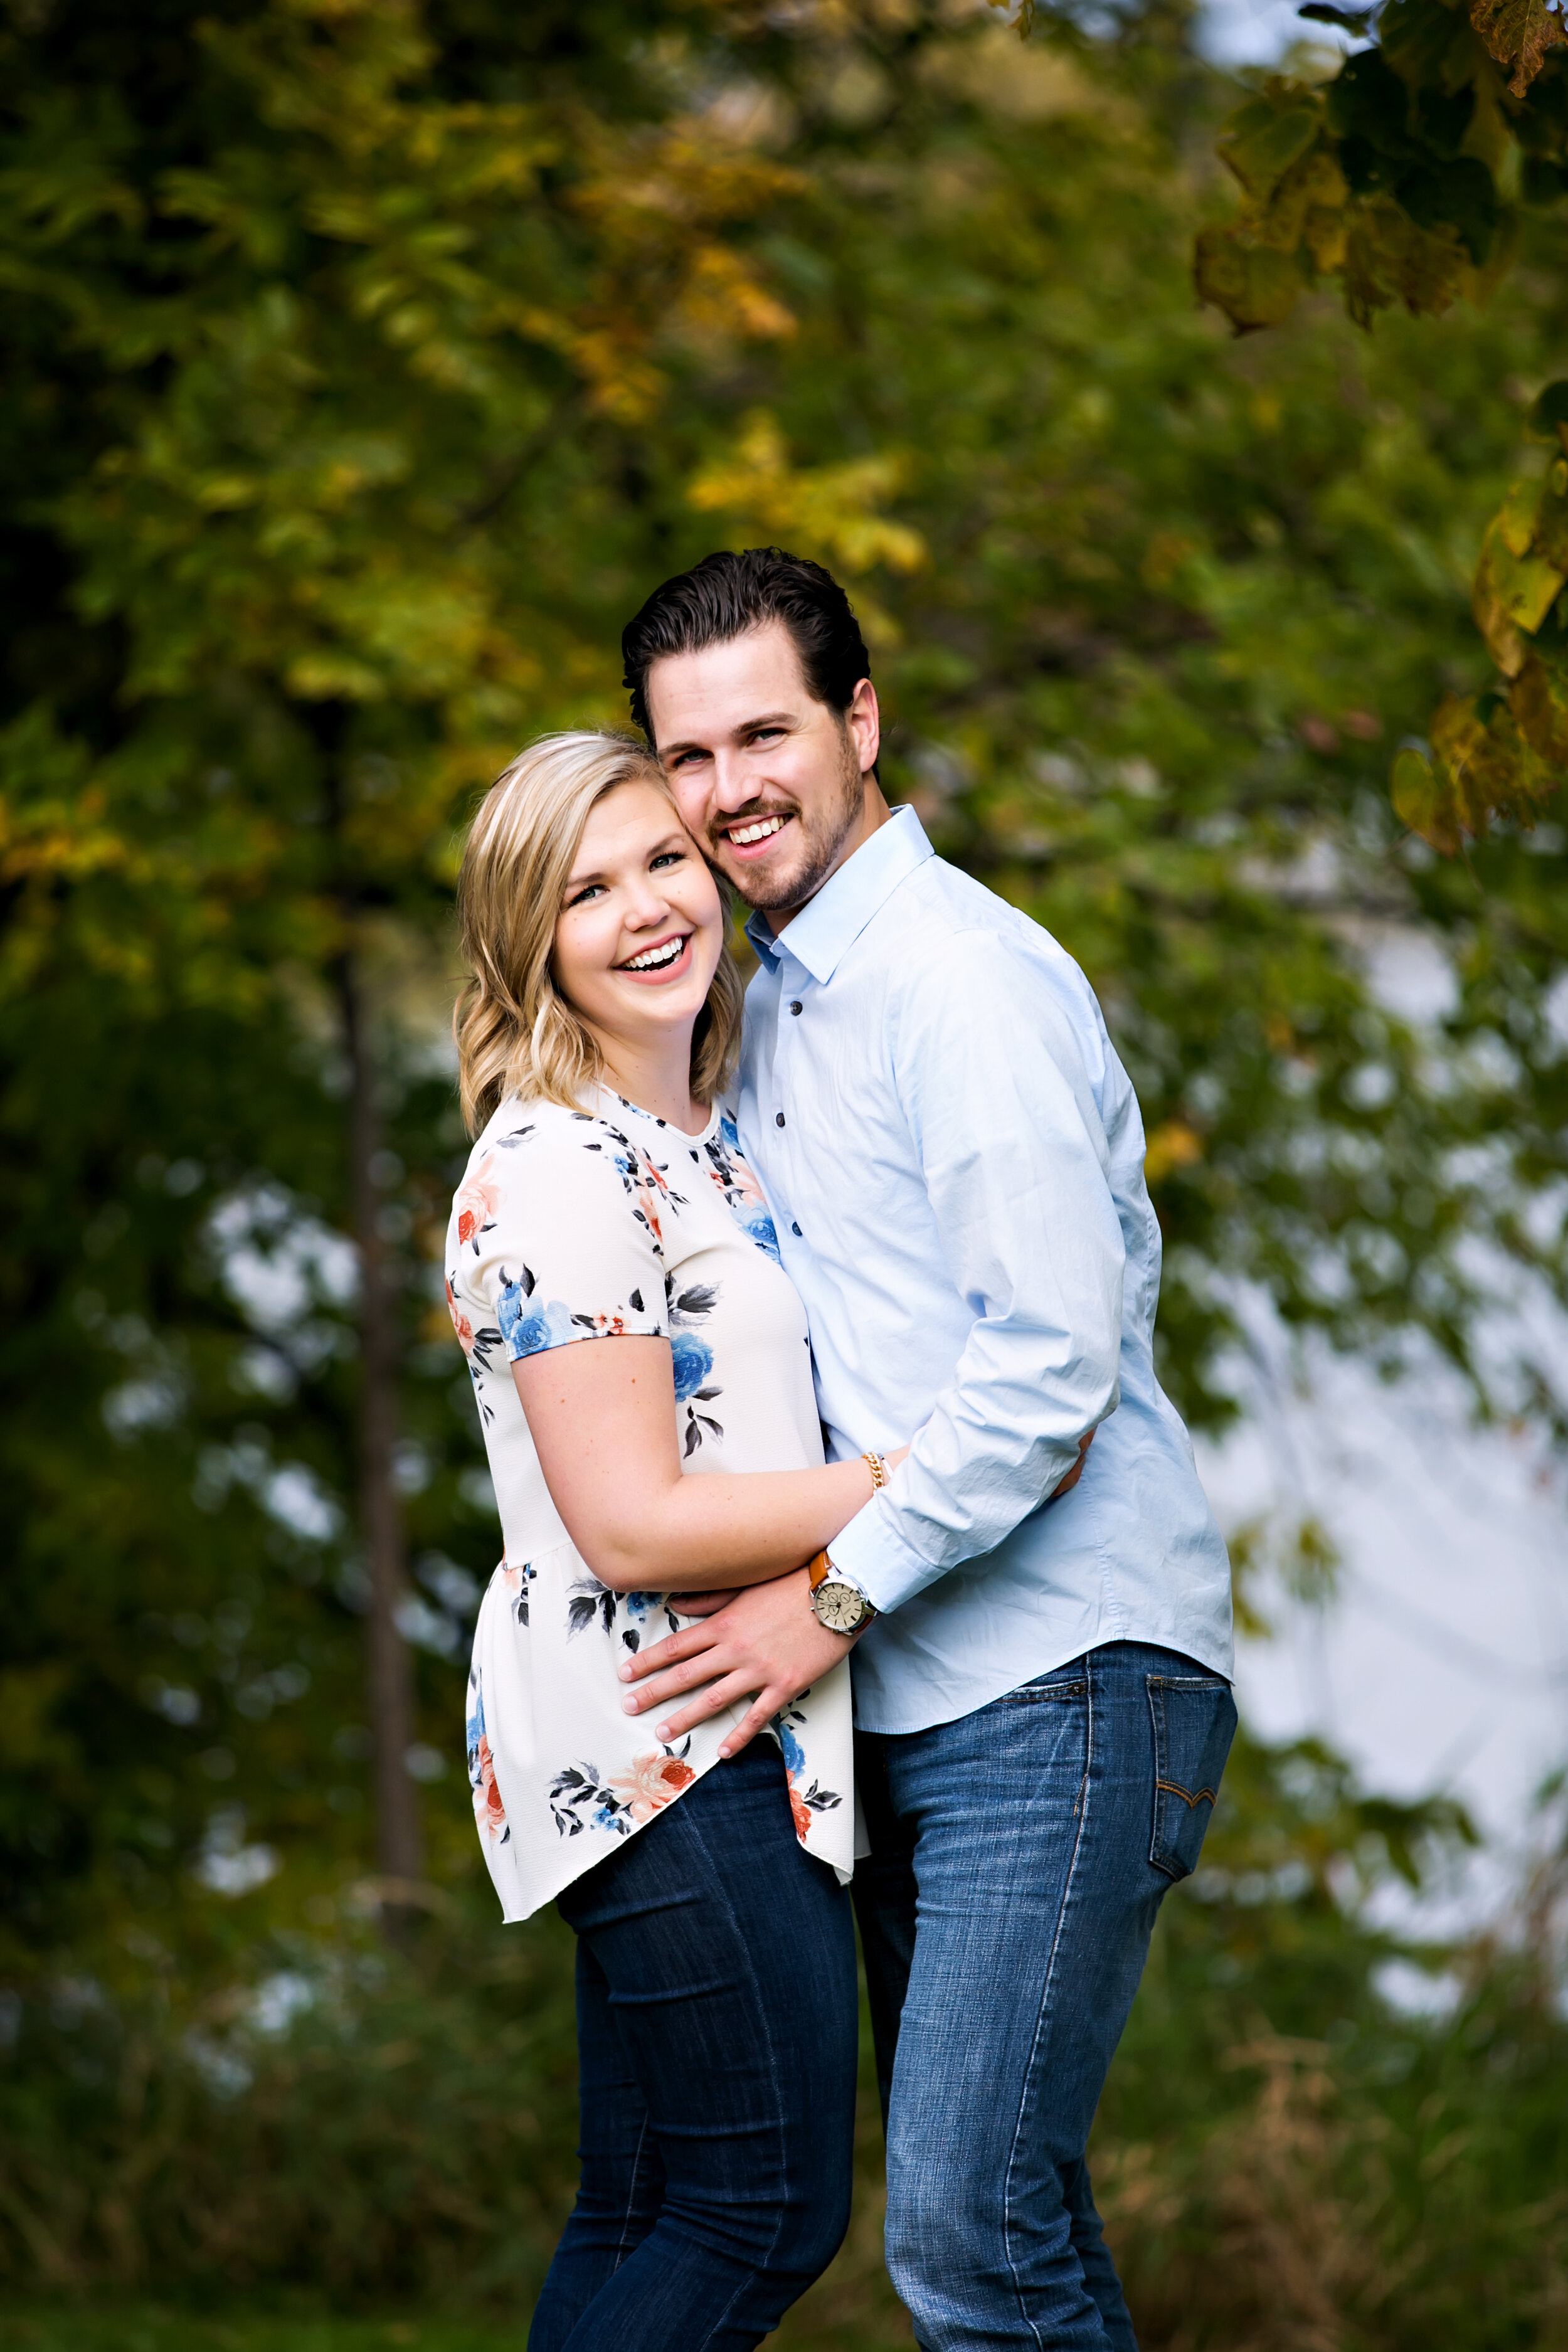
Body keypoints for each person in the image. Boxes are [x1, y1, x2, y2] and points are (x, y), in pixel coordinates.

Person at [616, 548, 1239, 2352]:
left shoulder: (956, 981)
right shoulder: (784, 997)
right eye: (687, 756)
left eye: (765, 733)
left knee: (965, 2239)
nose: (729, 788)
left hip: (1060, 1674)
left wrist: (825, 1593)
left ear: (859, 721)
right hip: (922, 1688)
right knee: (1012, 2223)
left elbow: (1047, 1371)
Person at [444, 729, 903, 2352]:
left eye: (660, 858)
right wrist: (905, 1485)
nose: (646, 907)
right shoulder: (558, 1161)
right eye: (585, 889)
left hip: (713, 1720)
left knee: (648, 2203)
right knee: (757, 2207)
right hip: (663, 1732)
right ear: (530, 944)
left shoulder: (688, 1140)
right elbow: (631, 1524)